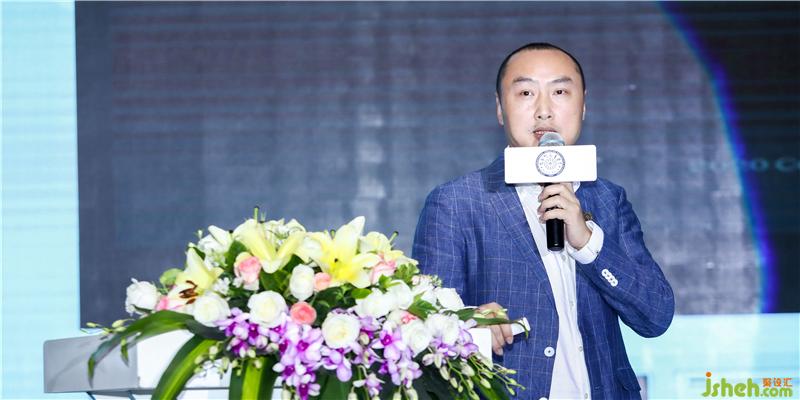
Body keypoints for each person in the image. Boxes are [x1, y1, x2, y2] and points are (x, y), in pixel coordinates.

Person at [412, 43, 675, 400]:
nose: (544, 110)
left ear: (583, 105)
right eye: (525, 93)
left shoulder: (607, 199)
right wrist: (469, 324)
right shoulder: (457, 202)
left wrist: (587, 243)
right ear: (500, 108)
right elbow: (424, 330)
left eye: (560, 92)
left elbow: (655, 316)